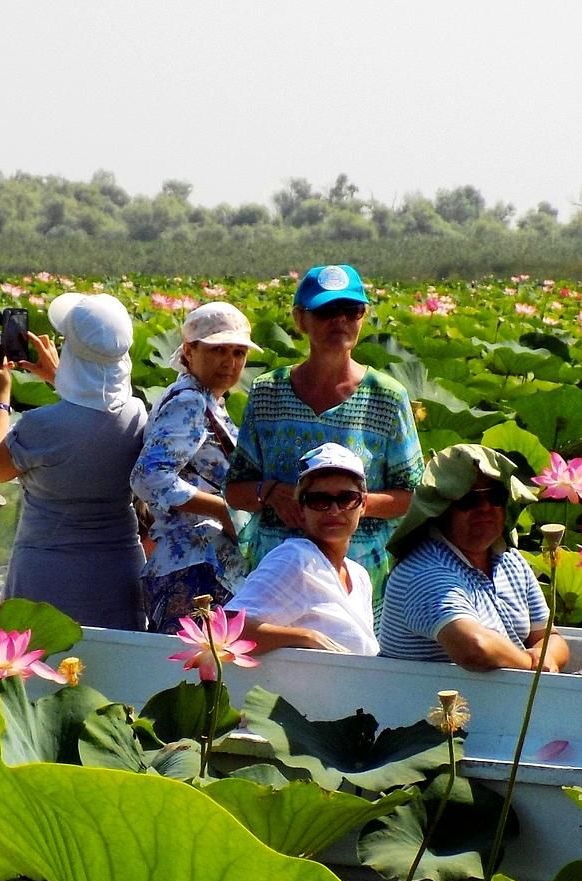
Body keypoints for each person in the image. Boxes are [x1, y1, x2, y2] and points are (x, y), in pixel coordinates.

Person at [224, 264, 422, 595]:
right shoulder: (267, 391)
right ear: (300, 319)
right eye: (327, 310)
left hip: (360, 577)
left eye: (351, 310)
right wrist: (271, 492)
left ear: (364, 316)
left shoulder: (388, 396)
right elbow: (235, 490)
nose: (340, 320)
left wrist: (347, 506)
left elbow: (412, 497)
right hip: (277, 573)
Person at [0, 292, 148, 630]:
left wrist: (1, 394)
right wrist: (58, 378)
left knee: (38, 672)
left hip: (46, 575)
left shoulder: (40, 425)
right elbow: (94, 416)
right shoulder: (138, 414)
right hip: (119, 574)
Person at [380, 444, 569, 672]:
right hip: (433, 706)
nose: (486, 508)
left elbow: (549, 636)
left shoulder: (512, 561)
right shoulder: (423, 571)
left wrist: (546, 657)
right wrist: (532, 666)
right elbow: (474, 649)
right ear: (440, 509)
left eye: (496, 496)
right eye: (468, 500)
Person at [129, 301, 257, 631]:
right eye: (218, 350)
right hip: (193, 565)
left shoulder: (203, 396)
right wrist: (221, 509)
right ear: (189, 350)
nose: (230, 362)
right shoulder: (189, 400)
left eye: (239, 353)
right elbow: (149, 477)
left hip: (201, 561)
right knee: (192, 673)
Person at [225, 443, 380, 656]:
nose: (334, 510)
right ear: (300, 508)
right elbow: (225, 628)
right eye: (319, 500)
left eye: (346, 498)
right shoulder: (296, 558)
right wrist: (304, 637)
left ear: (362, 505)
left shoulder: (359, 576)